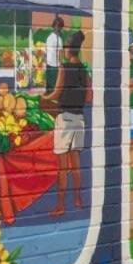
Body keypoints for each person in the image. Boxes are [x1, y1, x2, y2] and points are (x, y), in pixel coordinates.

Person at [43, 31, 91, 217]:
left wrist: (43, 97)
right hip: (79, 119)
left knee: (63, 166)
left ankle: (61, 205)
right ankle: (78, 199)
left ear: (68, 49)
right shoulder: (84, 70)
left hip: (64, 118)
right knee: (76, 164)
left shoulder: (64, 68)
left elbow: (56, 93)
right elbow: (89, 96)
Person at [45, 15, 65, 92]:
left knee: (51, 85)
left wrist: (60, 64)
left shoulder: (50, 38)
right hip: (52, 66)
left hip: (52, 65)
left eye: (59, 27)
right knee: (52, 85)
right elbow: (59, 53)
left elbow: (59, 53)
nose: (58, 28)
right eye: (57, 26)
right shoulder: (56, 39)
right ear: (54, 26)